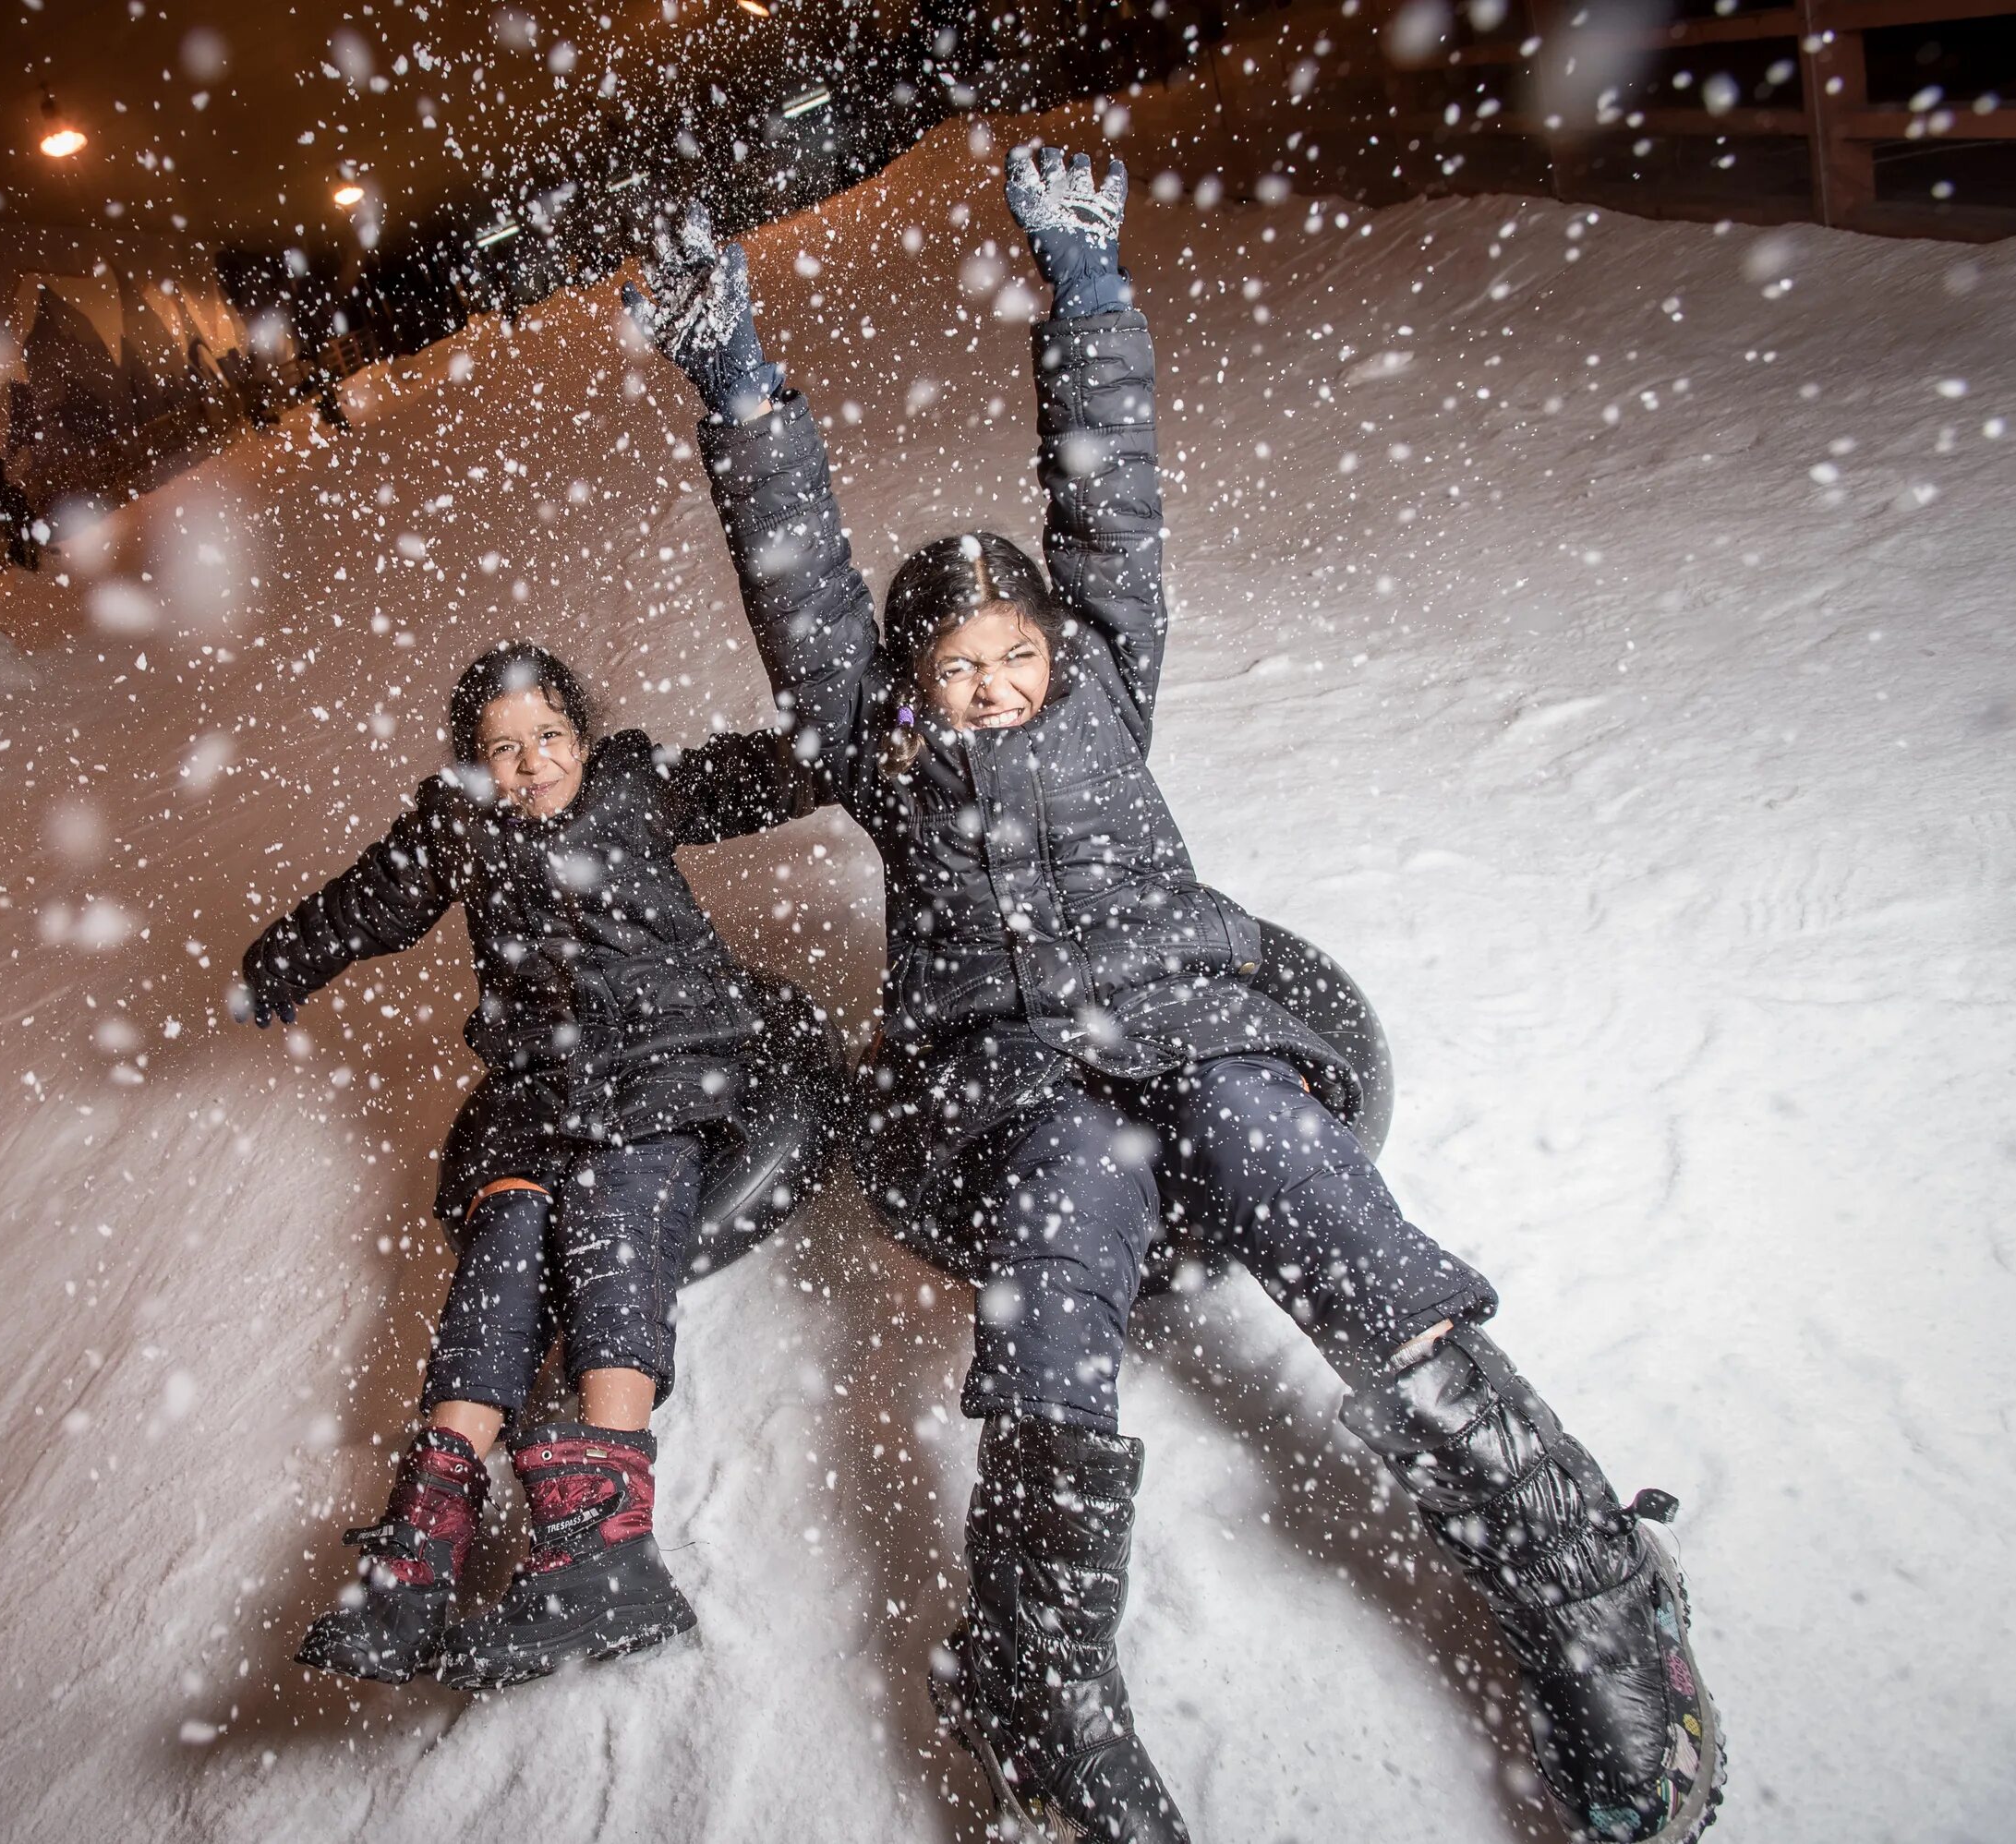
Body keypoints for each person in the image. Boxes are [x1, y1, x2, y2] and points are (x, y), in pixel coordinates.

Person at [626, 157, 1722, 1843]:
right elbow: (800, 575)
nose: (995, 686)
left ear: (1062, 650)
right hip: (1009, 1076)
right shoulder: (876, 739)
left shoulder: (1111, 668)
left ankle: (1579, 1569)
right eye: (960, 668)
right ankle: (1035, 1668)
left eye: (1018, 659)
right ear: (909, 681)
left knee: (1298, 1174)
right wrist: (741, 383)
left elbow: (1109, 492)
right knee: (1063, 1247)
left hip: (1194, 1012)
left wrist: (1088, 294)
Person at [235, 641, 816, 1691]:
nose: (532, 763)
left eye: (550, 736)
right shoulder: (459, 828)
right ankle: (426, 1536)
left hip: (660, 1058)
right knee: (502, 1236)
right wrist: (283, 953)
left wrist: (865, 741)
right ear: (473, 763)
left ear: (585, 738)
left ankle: (607, 1549)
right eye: (503, 748)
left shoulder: (637, 785)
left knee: (609, 1211)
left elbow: (759, 774)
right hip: (533, 1089)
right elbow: (369, 899)